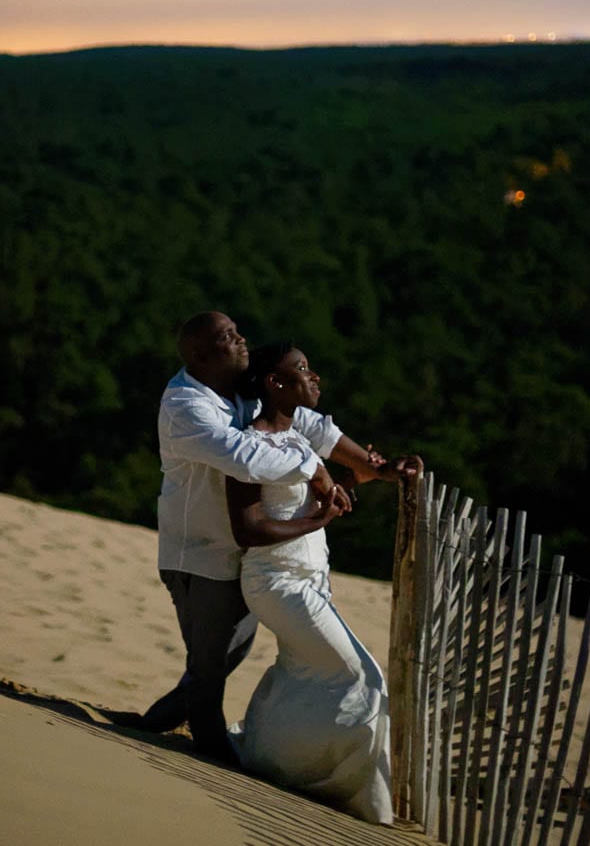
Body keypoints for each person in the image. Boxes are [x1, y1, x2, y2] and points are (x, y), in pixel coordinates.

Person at [137, 311, 418, 764]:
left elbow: (305, 422)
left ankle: (151, 724)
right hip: (199, 554)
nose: (241, 340)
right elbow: (241, 455)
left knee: (226, 656)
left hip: (242, 554)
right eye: (228, 337)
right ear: (200, 355)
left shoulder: (242, 387)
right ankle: (213, 752)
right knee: (210, 666)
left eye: (237, 331)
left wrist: (373, 466)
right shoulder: (185, 404)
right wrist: (316, 470)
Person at [226, 342, 404, 824]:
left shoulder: (298, 437)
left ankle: (267, 755)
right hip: (276, 582)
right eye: (302, 370)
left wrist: (377, 474)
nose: (315, 377)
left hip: (308, 581)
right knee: (361, 677)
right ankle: (360, 794)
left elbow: (336, 464)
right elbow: (249, 529)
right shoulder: (249, 444)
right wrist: (317, 519)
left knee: (300, 673)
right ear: (275, 384)